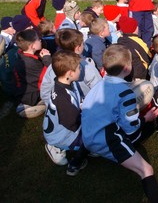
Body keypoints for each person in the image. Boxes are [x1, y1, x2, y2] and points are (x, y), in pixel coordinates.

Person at [81, 45, 158, 202]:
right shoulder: (125, 93)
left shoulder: (98, 86)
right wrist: (146, 119)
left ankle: (75, 163)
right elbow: (130, 128)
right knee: (146, 169)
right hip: (106, 138)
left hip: (87, 133)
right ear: (127, 68)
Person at [40, 28, 102, 166]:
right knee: (97, 138)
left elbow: (45, 89)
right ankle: (58, 146)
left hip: (72, 109)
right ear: (79, 47)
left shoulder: (56, 66)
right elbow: (99, 90)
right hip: (69, 120)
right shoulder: (86, 65)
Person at [42, 50, 89, 176]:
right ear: (70, 73)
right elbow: (71, 123)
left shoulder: (61, 84)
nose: (81, 70)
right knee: (92, 137)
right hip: (61, 135)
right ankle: (74, 164)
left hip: (58, 128)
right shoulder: (63, 98)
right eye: (79, 68)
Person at [14, 29, 51, 118]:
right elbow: (48, 76)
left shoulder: (21, 55)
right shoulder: (31, 62)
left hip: (23, 92)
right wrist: (47, 59)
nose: (40, 40)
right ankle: (36, 105)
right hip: (32, 95)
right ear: (32, 46)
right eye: (38, 39)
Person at [117, 16, 152, 81]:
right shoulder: (138, 41)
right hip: (140, 74)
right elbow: (148, 56)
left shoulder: (120, 40)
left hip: (127, 73)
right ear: (135, 29)